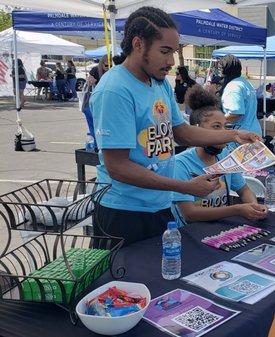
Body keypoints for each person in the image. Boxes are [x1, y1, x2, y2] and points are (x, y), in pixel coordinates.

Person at [90, 7, 259, 246]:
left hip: (158, 205)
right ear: (138, 44)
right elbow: (117, 167)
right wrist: (184, 186)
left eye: (174, 52)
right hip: (123, 211)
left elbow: (181, 132)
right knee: (126, 281)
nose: (171, 61)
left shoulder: (159, 84)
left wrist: (234, 134)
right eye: (164, 51)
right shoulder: (115, 90)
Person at [172, 86, 268, 225]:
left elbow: (244, 190)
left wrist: (255, 207)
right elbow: (190, 214)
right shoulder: (180, 164)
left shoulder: (225, 155)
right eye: (216, 127)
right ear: (196, 129)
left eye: (225, 127)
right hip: (191, 234)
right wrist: (237, 210)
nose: (222, 133)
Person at [219, 55, 262, 136]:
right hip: (254, 130)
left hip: (242, 134)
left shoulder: (233, 86)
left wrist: (217, 120)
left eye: (220, 68)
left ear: (225, 70)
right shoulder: (245, 83)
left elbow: (235, 113)